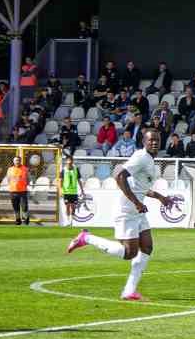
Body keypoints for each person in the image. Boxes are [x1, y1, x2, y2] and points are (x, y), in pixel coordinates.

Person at [65, 128, 182, 301]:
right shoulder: (141, 157)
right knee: (129, 253)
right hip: (127, 210)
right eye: (151, 140)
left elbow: (140, 187)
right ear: (144, 142)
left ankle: (129, 291)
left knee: (147, 247)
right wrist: (136, 203)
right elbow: (119, 176)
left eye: (157, 140)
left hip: (137, 211)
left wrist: (160, 197)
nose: (154, 143)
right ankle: (86, 238)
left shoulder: (149, 160)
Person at [5, 155, 30, 225]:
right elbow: (8, 179)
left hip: (22, 191)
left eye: (18, 160)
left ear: (20, 161)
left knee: (24, 207)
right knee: (16, 207)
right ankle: (18, 220)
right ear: (13, 161)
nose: (17, 162)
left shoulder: (25, 169)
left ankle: (26, 219)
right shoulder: (10, 169)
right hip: (13, 191)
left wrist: (24, 184)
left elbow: (28, 179)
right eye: (16, 160)